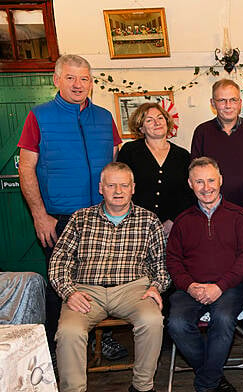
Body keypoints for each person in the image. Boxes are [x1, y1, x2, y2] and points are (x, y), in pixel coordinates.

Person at [17, 54, 124, 362]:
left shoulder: (104, 117)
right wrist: (40, 215)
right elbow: (26, 168)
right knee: (60, 283)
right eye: (71, 78)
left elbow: (114, 165)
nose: (79, 85)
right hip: (59, 218)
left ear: (91, 82)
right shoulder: (39, 116)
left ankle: (102, 341)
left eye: (85, 79)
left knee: (105, 280)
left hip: (103, 218)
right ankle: (57, 348)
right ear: (57, 79)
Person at [49, 162, 170, 392]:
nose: (118, 191)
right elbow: (59, 260)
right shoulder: (80, 219)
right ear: (100, 188)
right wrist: (69, 292)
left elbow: (162, 263)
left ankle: (142, 386)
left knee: (152, 321)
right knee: (69, 332)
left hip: (133, 289)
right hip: (86, 291)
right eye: (111, 185)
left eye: (124, 185)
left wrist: (156, 286)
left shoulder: (149, 220)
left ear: (133, 188)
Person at [166, 157, 243, 392]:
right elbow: (172, 261)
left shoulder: (239, 216)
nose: (207, 187)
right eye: (199, 182)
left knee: (223, 320)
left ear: (221, 180)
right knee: (177, 324)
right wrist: (191, 286)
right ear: (190, 184)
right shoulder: (182, 221)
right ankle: (213, 377)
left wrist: (220, 286)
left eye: (211, 180)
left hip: (230, 287)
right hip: (190, 288)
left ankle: (206, 383)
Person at [191, 79, 243, 208]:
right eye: (222, 100)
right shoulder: (202, 132)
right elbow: (196, 174)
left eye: (233, 100)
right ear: (213, 103)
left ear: (240, 103)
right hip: (213, 209)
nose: (228, 105)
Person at [117, 102, 192, 237]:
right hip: (136, 227)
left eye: (160, 118)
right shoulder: (130, 151)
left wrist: (173, 220)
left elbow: (188, 194)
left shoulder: (182, 155)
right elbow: (121, 188)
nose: (157, 123)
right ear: (141, 128)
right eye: (149, 120)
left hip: (173, 229)